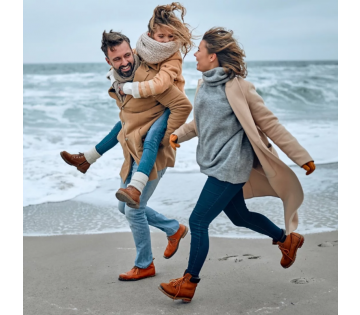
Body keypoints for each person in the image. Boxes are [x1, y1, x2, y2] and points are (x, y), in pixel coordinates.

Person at [158, 27, 316, 302]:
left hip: (232, 166)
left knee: (197, 221)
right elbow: (202, 122)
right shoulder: (205, 84)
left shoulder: (239, 87)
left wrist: (301, 156)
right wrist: (178, 134)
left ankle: (188, 282)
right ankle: (286, 240)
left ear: (213, 56)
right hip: (215, 162)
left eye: (200, 50)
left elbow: (269, 122)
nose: (195, 53)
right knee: (239, 216)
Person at [60, 2, 195, 209]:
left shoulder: (173, 56)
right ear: (151, 35)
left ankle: (136, 187)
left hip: (168, 105)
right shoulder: (141, 49)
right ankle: (87, 158)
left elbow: (162, 85)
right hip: (151, 100)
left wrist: (128, 88)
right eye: (162, 36)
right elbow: (125, 61)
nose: (167, 41)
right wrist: (115, 79)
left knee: (152, 138)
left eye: (171, 37)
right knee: (122, 124)